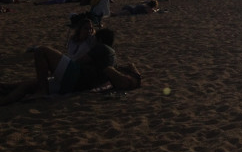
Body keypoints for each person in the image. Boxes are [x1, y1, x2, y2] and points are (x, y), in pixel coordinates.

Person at [0, 29, 141, 105]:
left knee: (41, 51)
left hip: (76, 75)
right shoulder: (112, 58)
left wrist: (58, 64)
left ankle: (42, 90)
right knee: (27, 85)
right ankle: (4, 98)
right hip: (77, 86)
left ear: (100, 40)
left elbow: (80, 61)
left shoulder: (103, 48)